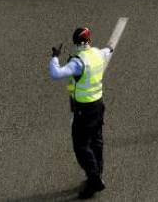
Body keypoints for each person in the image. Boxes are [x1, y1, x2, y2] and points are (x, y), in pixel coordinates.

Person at [48, 27, 113, 199]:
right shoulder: (98, 54)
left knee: (81, 146)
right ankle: (97, 174)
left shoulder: (78, 62)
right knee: (97, 142)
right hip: (99, 106)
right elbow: (108, 50)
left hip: (84, 110)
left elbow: (56, 74)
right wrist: (110, 47)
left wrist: (55, 57)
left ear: (76, 43)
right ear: (89, 40)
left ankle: (94, 178)